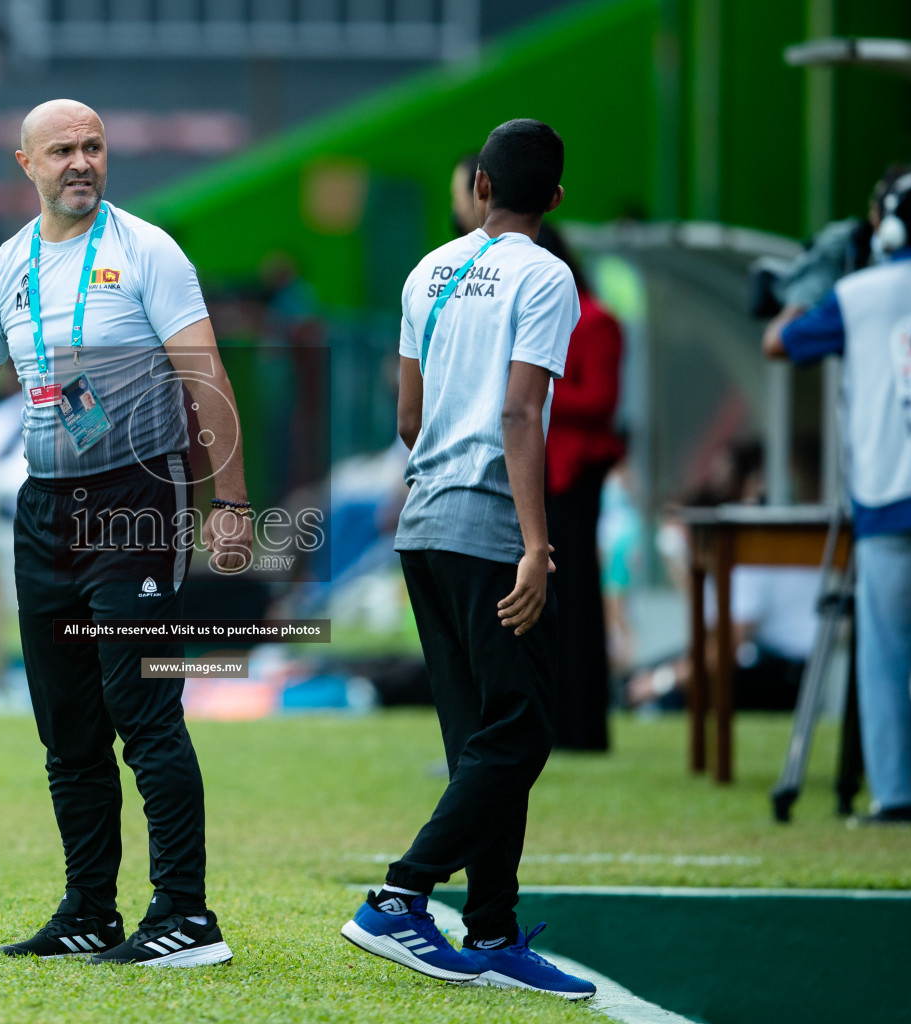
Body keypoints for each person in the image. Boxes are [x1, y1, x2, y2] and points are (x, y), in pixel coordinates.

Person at [0, 99, 253, 966]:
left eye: (94, 147)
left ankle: (186, 917)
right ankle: (90, 910)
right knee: (67, 728)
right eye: (63, 151)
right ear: (26, 165)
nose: (82, 162)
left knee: (146, 715)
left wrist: (228, 502)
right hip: (45, 510)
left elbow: (204, 373)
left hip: (138, 502)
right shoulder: (3, 270)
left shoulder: (148, 250)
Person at [341, 119, 594, 999]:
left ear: (479, 185)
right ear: (556, 200)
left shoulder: (428, 270)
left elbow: (408, 420)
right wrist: (534, 542)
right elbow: (522, 416)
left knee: (477, 739)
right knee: (523, 730)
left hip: (423, 524)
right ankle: (401, 895)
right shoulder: (548, 275)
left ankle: (489, 929)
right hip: (490, 524)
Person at [765, 170, 911, 825]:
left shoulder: (857, 294)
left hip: (889, 493)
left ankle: (895, 795)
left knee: (885, 649)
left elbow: (779, 342)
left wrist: (808, 284)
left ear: (892, 225)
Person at [535, 224, 624, 750]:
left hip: (571, 474)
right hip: (543, 471)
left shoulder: (596, 321)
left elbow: (601, 402)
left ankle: (583, 723)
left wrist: (532, 392)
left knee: (576, 598)